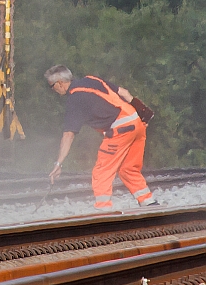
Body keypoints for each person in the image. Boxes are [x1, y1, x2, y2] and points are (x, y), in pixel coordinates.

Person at [45, 65, 159, 210]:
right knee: (128, 168)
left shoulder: (74, 99)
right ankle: (149, 202)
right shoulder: (91, 79)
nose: (52, 90)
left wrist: (58, 164)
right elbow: (124, 92)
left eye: (51, 86)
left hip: (120, 130)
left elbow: (68, 135)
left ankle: (103, 209)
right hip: (136, 122)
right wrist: (142, 115)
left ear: (60, 83)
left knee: (101, 171)